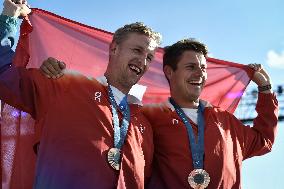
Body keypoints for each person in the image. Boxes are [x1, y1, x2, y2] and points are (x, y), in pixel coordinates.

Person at [0, 0, 162, 188]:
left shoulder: (144, 126)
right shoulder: (63, 85)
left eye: (149, 57)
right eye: (137, 50)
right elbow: (4, 74)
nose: (142, 60)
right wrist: (9, 17)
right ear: (114, 48)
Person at [142, 39, 279, 188]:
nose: (200, 73)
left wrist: (266, 89)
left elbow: (263, 140)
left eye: (203, 67)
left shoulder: (225, 120)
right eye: (191, 67)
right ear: (169, 72)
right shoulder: (149, 117)